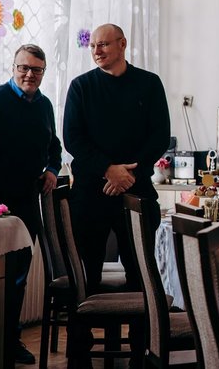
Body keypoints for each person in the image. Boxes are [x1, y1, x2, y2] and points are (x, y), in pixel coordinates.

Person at [0, 44, 61, 365]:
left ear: (43, 73)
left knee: (18, 275)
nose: (30, 75)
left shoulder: (45, 106)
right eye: (24, 68)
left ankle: (9, 340)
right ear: (13, 67)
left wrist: (51, 170)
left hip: (26, 202)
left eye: (37, 70)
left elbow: (54, 148)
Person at [63, 24, 170, 293]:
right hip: (91, 191)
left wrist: (128, 175)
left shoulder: (149, 83)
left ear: (122, 44)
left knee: (141, 275)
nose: (96, 51)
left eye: (103, 44)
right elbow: (73, 139)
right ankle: (82, 336)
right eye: (92, 46)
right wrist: (108, 170)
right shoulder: (81, 86)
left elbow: (159, 137)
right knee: (87, 278)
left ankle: (143, 335)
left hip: (137, 189)